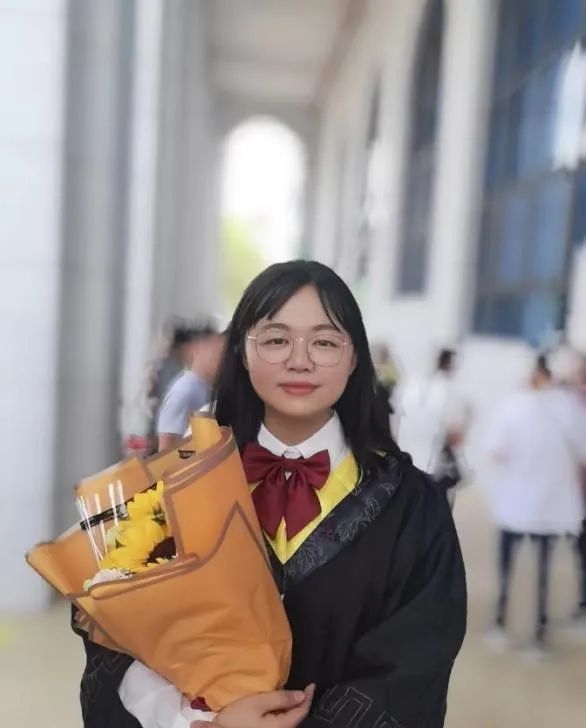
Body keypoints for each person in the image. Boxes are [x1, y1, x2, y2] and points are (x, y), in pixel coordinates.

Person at [75, 260, 466, 728]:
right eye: (276, 340)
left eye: (324, 342)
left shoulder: (412, 509)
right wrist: (194, 722)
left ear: (354, 358)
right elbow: (114, 641)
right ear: (241, 352)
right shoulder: (176, 487)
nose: (300, 360)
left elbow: (412, 669)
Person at [483, 350, 586, 653]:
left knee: (507, 567)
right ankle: (538, 635)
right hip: (550, 505)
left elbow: (495, 451)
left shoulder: (512, 406)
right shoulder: (568, 408)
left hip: (515, 503)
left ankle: (500, 623)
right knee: (543, 570)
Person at [396, 348, 470, 505]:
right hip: (435, 471)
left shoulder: (411, 387)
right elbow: (455, 436)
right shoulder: (450, 392)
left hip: (406, 468)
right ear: (450, 365)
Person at [156, 322, 225, 450]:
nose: (220, 358)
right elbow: (166, 448)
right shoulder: (185, 390)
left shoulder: (208, 389)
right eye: (214, 350)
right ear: (196, 350)